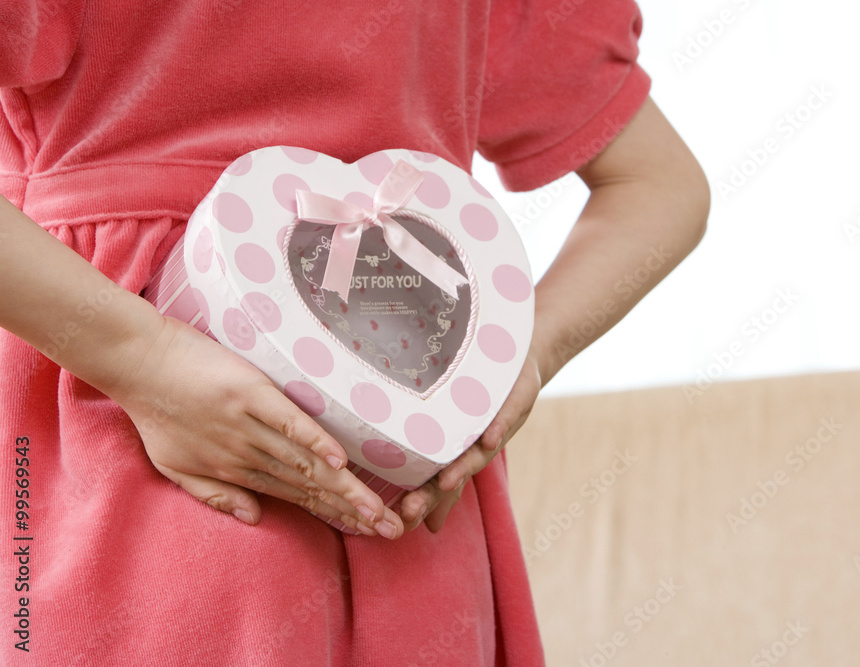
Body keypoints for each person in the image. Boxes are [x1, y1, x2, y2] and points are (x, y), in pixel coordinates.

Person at [0, 1, 708, 664]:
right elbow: (659, 182)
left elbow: (660, 186)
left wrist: (145, 360)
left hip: (148, 429)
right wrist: (143, 361)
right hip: (387, 485)